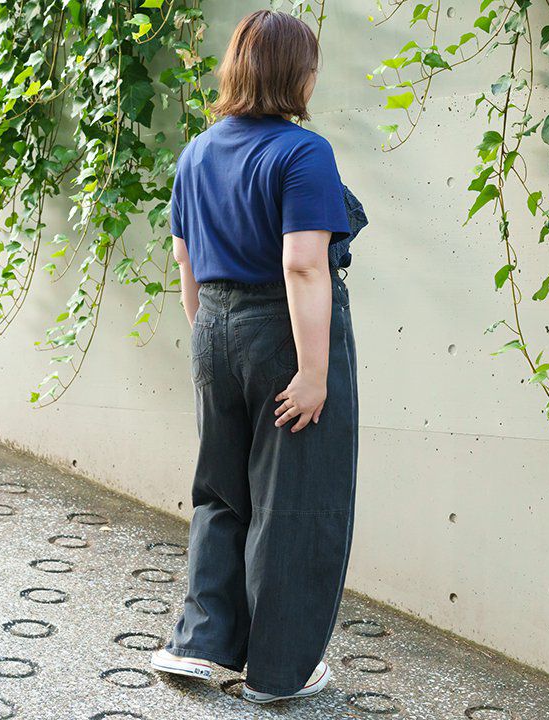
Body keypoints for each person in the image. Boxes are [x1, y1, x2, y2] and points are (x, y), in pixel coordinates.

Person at [150, 8, 360, 704]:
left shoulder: (196, 153)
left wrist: (209, 338)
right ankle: (278, 674)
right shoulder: (303, 153)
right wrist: (314, 371)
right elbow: (303, 265)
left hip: (213, 326)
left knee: (220, 491)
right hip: (282, 335)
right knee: (294, 499)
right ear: (296, 73)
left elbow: (183, 259)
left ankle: (196, 644)